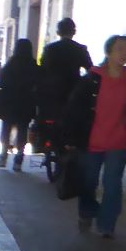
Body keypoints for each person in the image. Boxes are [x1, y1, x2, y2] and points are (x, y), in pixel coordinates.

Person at [60, 34, 126, 239]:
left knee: (113, 184)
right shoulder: (92, 79)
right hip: (91, 142)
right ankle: (87, 213)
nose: (125, 54)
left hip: (118, 142)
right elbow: (74, 109)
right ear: (108, 52)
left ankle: (107, 224)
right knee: (88, 182)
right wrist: (70, 138)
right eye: (120, 49)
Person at [35, 17, 92, 168]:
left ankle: (43, 143)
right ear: (74, 32)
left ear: (58, 32)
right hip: (73, 92)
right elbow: (90, 70)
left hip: (52, 93)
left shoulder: (50, 49)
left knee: (45, 117)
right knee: (75, 120)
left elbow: (43, 68)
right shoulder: (80, 49)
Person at [0, 39, 40, 168]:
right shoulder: (33, 65)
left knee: (6, 129)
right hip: (26, 103)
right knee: (23, 129)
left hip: (9, 103)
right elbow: (39, 82)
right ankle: (19, 158)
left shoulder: (11, 64)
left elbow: (1, 81)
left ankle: (3, 156)